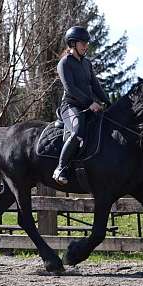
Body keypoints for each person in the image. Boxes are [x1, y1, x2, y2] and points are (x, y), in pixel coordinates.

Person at [53, 26, 110, 184]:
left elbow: (96, 86)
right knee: (78, 131)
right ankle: (60, 168)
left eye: (87, 43)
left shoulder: (87, 63)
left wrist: (108, 102)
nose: (86, 46)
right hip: (70, 106)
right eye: (82, 43)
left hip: (88, 106)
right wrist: (90, 103)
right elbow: (70, 88)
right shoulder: (64, 63)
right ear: (72, 44)